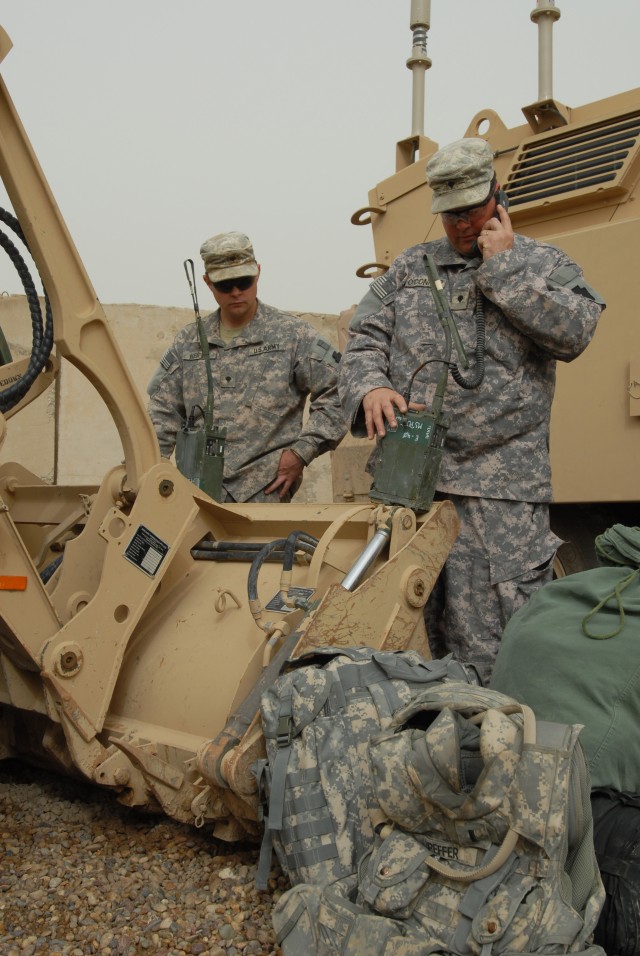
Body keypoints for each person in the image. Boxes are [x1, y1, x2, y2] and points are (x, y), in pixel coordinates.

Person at [338, 137, 605, 682]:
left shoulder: (540, 263)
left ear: (497, 196)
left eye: (472, 210)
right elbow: (362, 340)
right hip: (413, 489)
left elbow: (576, 331)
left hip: (499, 496)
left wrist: (503, 270)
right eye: (449, 213)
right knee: (405, 642)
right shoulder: (410, 269)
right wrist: (370, 388)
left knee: (498, 652)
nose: (461, 224)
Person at [148, 231, 347, 502]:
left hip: (264, 489)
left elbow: (342, 389)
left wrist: (302, 452)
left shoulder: (293, 335)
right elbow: (162, 412)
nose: (236, 292)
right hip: (196, 493)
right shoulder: (189, 342)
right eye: (225, 285)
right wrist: (151, 471)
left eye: (244, 281)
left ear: (258, 273)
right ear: (207, 283)